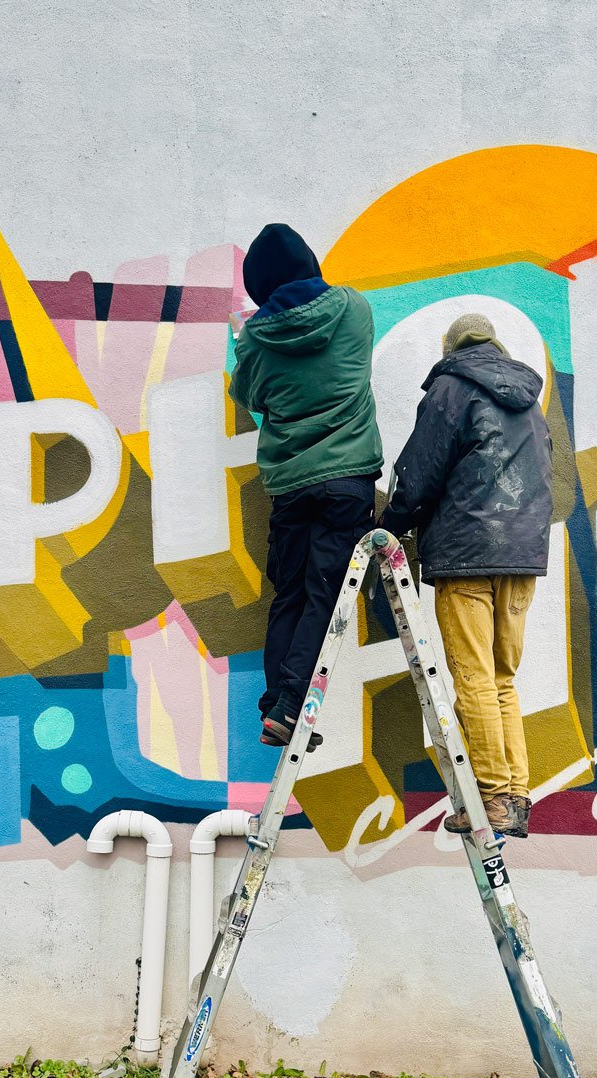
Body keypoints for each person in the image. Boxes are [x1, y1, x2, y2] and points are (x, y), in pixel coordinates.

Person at [381, 312, 552, 838]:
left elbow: (418, 473)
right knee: (502, 678)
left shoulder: (451, 389)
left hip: (467, 555)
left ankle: (494, 798)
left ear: (452, 348)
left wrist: (389, 526)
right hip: (522, 555)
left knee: (473, 678)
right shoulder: (530, 405)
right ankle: (516, 796)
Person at [229, 224, 383, 748]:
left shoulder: (253, 340)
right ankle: (292, 703)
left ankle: (278, 703)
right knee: (324, 593)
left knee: (289, 593)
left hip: (291, 482)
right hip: (348, 480)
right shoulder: (354, 310)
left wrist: (251, 339)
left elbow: (248, 396)